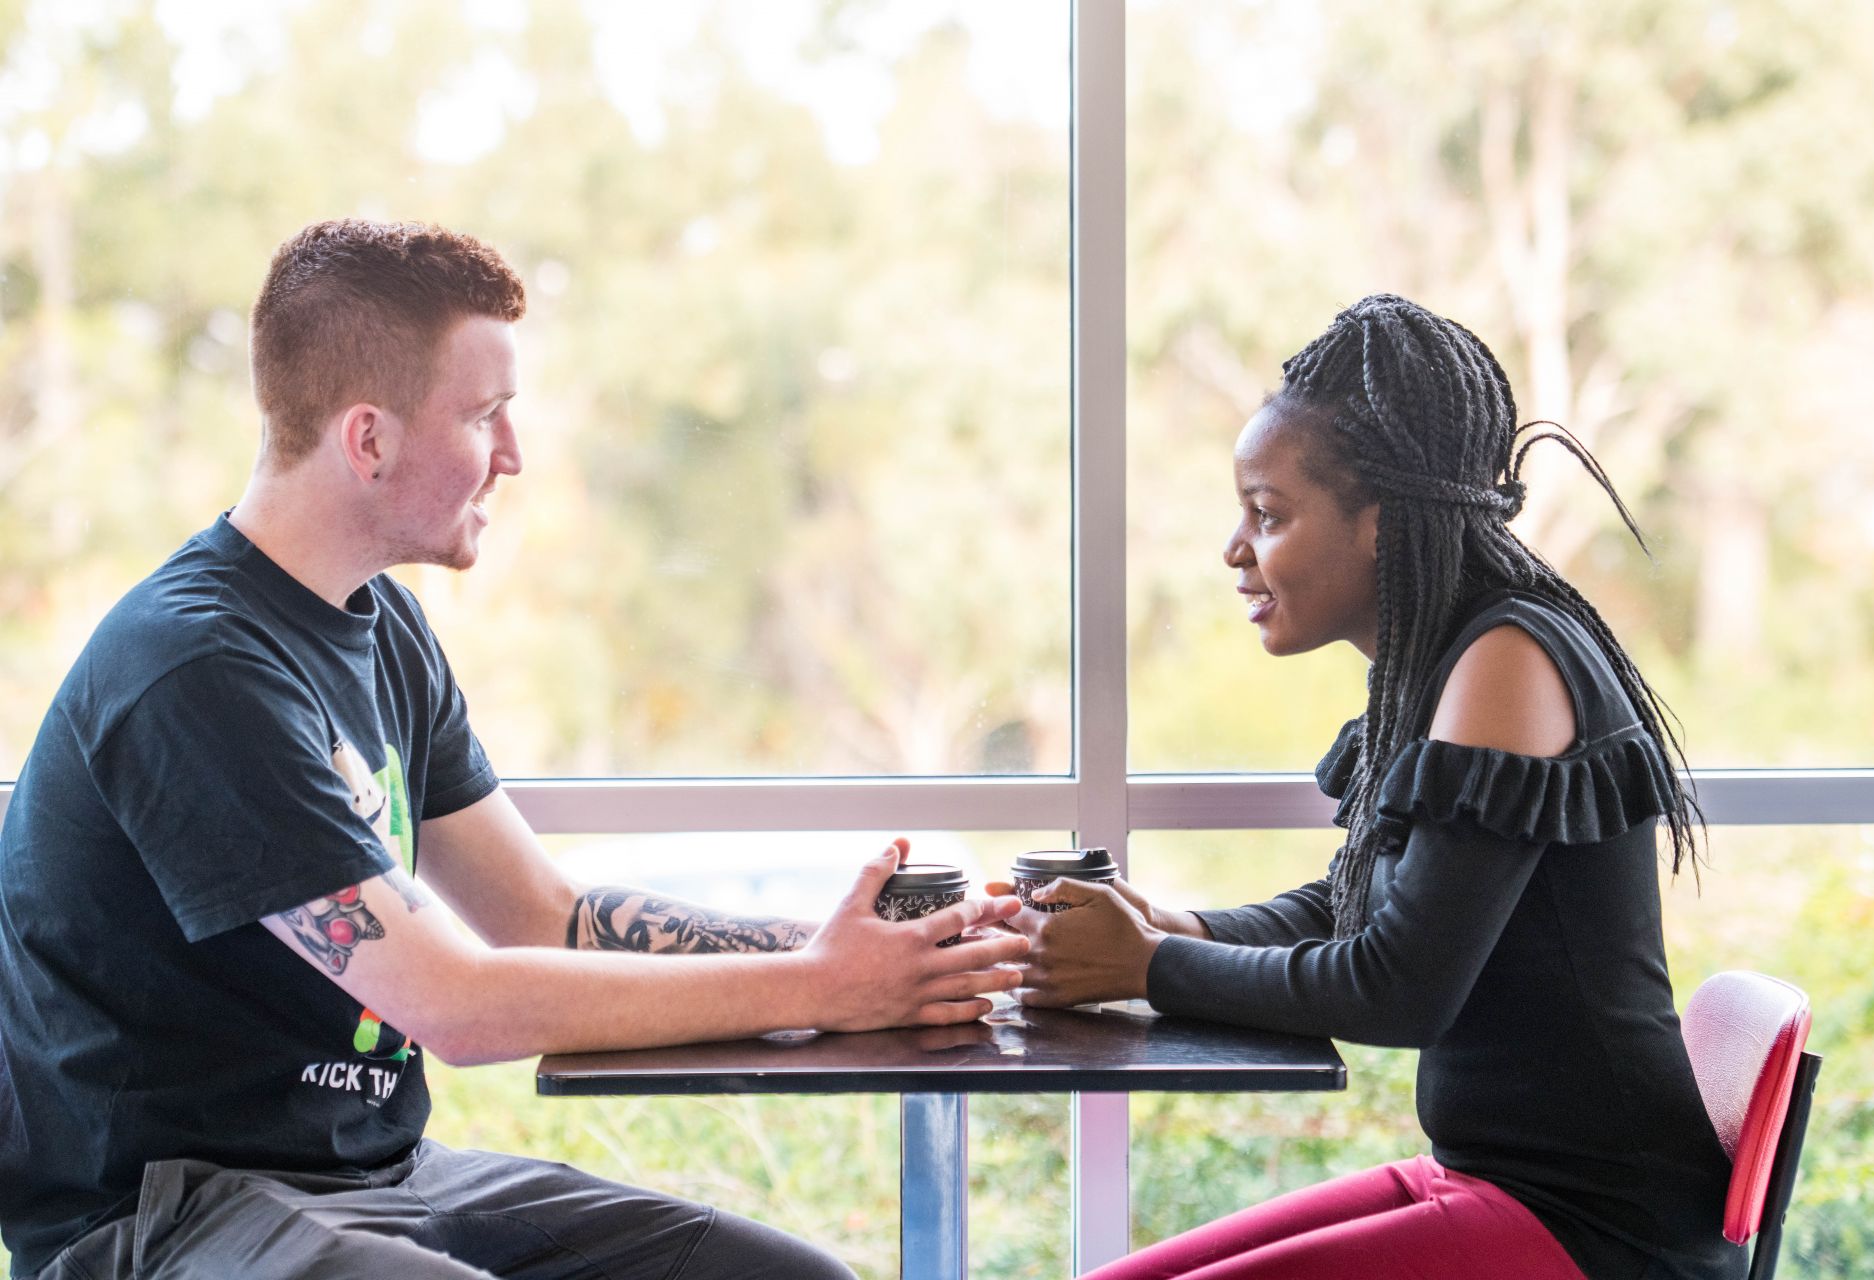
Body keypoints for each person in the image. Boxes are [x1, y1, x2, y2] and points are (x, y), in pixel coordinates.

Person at [0, 218, 1028, 1280]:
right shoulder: (195, 667)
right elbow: (457, 1002)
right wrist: (821, 989)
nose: (514, 456)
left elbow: (542, 913)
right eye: (485, 414)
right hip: (162, 1216)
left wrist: (849, 947)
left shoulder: (381, 625)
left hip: (376, 1179)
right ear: (369, 439)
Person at [999, 295, 1742, 1279]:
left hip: (1595, 1228)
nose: (1234, 548)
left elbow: (1398, 985)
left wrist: (1142, 965)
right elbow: (1356, 906)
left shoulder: (1509, 660)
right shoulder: (1450, 660)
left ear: (1381, 523)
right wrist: (1176, 927)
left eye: (1268, 514)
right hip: (1494, 1180)